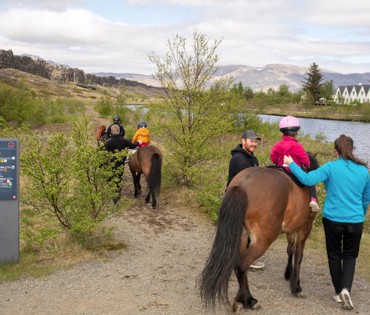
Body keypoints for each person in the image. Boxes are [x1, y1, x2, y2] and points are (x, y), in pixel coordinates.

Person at [284, 135, 370, 311]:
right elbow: (366, 198)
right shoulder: (364, 171)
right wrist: (359, 214)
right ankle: (346, 289)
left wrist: (291, 163)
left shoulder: (331, 167)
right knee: (350, 256)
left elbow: (307, 180)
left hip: (333, 219)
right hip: (355, 221)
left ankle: (339, 291)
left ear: (335, 151)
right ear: (352, 150)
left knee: (334, 255)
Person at [227, 129, 265, 270]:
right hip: (235, 199)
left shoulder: (253, 159)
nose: (254, 144)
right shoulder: (238, 159)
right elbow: (249, 181)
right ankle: (235, 260)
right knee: (236, 231)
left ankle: (245, 258)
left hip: (248, 198)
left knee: (247, 230)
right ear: (243, 141)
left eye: (255, 141)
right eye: (251, 141)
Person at [270, 115, 320, 212]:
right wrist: (308, 166)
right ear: (295, 134)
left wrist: (276, 162)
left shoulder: (278, 144)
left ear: (282, 133)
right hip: (293, 171)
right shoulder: (297, 145)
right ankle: (313, 199)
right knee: (310, 180)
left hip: (280, 169)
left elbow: (273, 156)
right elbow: (305, 159)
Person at [104, 124, 137, 204]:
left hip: (111, 163)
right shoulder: (124, 140)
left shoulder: (108, 142)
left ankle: (113, 196)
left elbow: (104, 153)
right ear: (119, 131)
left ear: (111, 132)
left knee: (111, 178)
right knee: (118, 179)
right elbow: (132, 146)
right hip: (120, 164)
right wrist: (138, 143)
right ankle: (117, 197)